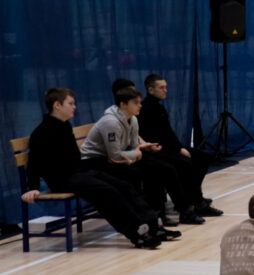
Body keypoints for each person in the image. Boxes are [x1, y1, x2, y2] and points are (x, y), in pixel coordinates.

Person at [21, 87, 169, 250]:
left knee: (124, 186)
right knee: (107, 192)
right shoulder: (42, 132)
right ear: (57, 105)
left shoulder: (64, 126)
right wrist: (33, 187)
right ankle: (137, 234)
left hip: (80, 173)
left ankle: (153, 225)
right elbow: (34, 162)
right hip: (63, 180)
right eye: (70, 103)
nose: (74, 107)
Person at [81, 84, 202, 226]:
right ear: (123, 104)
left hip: (120, 156)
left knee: (165, 168)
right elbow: (115, 156)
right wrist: (137, 154)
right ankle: (152, 216)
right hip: (96, 161)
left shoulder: (133, 119)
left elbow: (134, 147)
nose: (140, 105)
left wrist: (138, 152)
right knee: (146, 172)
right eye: (136, 103)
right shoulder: (111, 123)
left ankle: (180, 212)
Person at [141, 73, 220, 217]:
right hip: (156, 150)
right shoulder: (145, 109)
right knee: (184, 163)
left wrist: (179, 148)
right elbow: (151, 136)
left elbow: (168, 132)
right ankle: (195, 202)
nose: (165, 90)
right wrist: (177, 149)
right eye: (161, 88)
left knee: (203, 157)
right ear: (150, 89)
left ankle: (192, 195)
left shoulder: (159, 108)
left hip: (167, 147)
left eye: (166, 87)